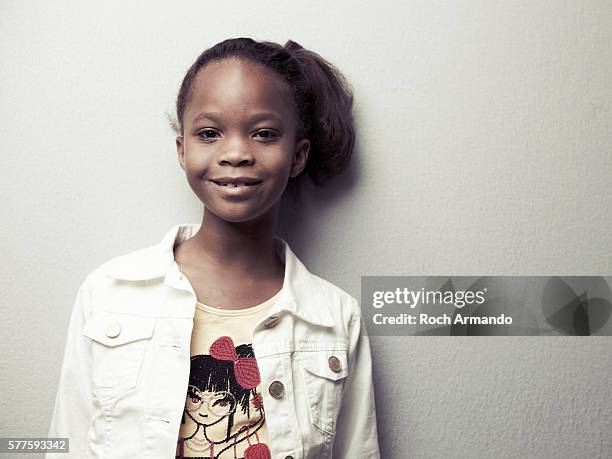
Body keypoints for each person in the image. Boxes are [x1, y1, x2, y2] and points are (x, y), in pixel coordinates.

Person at [47, 37, 380, 459]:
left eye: (263, 134)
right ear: (183, 151)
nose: (236, 153)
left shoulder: (336, 321)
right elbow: (65, 444)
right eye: (209, 133)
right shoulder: (108, 294)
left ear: (297, 156)